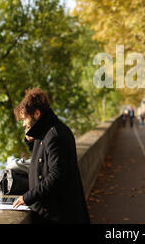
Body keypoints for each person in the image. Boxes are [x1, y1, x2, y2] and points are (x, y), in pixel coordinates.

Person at [12, 87, 90, 224]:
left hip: (58, 214)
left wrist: (27, 197)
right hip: (52, 210)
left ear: (36, 113)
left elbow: (56, 176)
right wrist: (30, 141)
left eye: (25, 119)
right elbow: (42, 162)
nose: (24, 123)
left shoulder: (54, 135)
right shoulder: (47, 131)